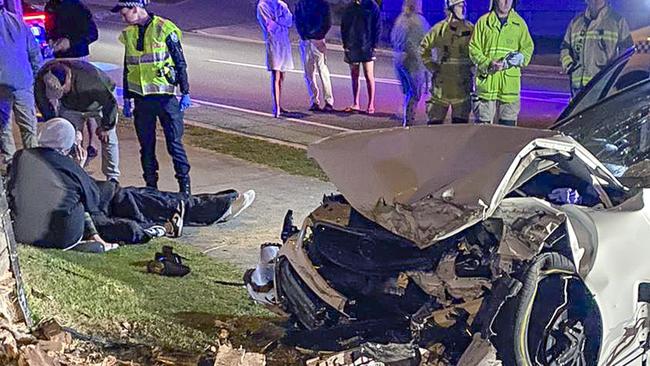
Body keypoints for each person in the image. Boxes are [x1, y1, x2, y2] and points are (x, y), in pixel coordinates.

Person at [8, 118, 256, 251]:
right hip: (66, 229)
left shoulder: (22, 158)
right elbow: (91, 198)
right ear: (68, 145)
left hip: (34, 230)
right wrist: (79, 167)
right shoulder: (65, 164)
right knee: (136, 200)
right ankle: (210, 208)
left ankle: (211, 207)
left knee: (134, 201)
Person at [112, 0, 193, 195]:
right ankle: (151, 188)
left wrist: (185, 92)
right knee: (146, 148)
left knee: (174, 145)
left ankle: (185, 189)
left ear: (135, 8)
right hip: (142, 100)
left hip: (165, 98)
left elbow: (180, 62)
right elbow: (128, 67)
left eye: (124, 14)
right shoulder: (129, 34)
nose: (123, 19)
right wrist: (128, 100)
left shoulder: (164, 28)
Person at [34, 59, 121, 182]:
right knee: (68, 140)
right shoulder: (43, 78)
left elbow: (110, 103)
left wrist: (106, 127)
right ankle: (71, 173)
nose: (60, 94)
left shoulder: (90, 81)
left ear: (68, 79)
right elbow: (42, 102)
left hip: (100, 104)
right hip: (70, 107)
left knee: (108, 139)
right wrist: (55, 122)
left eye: (62, 91)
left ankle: (112, 178)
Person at [45, 0, 101, 161]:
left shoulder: (78, 7)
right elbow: (49, 28)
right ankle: (71, 144)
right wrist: (50, 40)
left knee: (85, 102)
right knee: (61, 103)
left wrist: (70, 42)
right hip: (58, 61)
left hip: (78, 59)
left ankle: (92, 143)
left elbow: (92, 34)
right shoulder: (51, 6)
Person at [468, 0, 534, 126]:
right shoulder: (483, 23)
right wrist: (487, 63)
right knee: (483, 132)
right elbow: (473, 48)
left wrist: (521, 57)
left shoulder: (519, 24)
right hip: (486, 86)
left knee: (508, 132)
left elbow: (528, 48)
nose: (506, 2)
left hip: (509, 87)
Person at [0, 1, 43, 168]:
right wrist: (37, 78)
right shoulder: (18, 22)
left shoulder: (17, 22)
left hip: (8, 85)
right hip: (22, 83)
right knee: (28, 129)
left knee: (5, 129)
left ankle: (14, 164)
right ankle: (32, 165)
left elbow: (33, 52)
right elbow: (34, 53)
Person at [560, 0, 633, 98]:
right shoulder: (576, 22)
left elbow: (628, 52)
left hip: (602, 88)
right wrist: (568, 65)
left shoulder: (617, 21)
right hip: (577, 89)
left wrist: (613, 73)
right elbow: (565, 47)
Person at [420, 0, 474, 125]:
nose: (463, 9)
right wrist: (431, 66)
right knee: (434, 131)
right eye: (460, 6)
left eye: (464, 6)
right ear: (451, 7)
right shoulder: (439, 29)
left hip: (462, 89)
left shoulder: (471, 29)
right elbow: (423, 48)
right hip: (441, 90)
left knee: (459, 133)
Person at [390, 0, 429, 126]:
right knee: (415, 93)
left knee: (408, 92)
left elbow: (393, 37)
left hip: (399, 60)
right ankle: (409, 121)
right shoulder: (419, 22)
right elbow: (425, 43)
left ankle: (406, 116)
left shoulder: (401, 19)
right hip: (412, 63)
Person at [341, 0, 381, 115]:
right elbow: (344, 26)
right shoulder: (350, 7)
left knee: (369, 75)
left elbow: (377, 27)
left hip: (367, 46)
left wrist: (374, 45)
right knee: (354, 75)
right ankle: (355, 103)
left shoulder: (372, 6)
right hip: (353, 45)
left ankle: (371, 104)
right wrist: (345, 44)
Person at [295, 0, 334, 113]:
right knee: (308, 73)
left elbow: (327, 23)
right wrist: (304, 35)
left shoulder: (322, 3)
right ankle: (314, 101)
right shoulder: (301, 4)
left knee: (323, 71)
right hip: (306, 40)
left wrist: (317, 35)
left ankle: (328, 101)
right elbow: (298, 21)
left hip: (317, 40)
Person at [257, 0, 294, 118]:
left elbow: (289, 21)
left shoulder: (281, 4)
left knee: (282, 75)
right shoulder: (262, 6)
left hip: (284, 42)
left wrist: (277, 21)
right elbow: (269, 26)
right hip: (273, 43)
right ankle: (276, 106)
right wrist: (280, 22)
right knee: (276, 75)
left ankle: (280, 104)